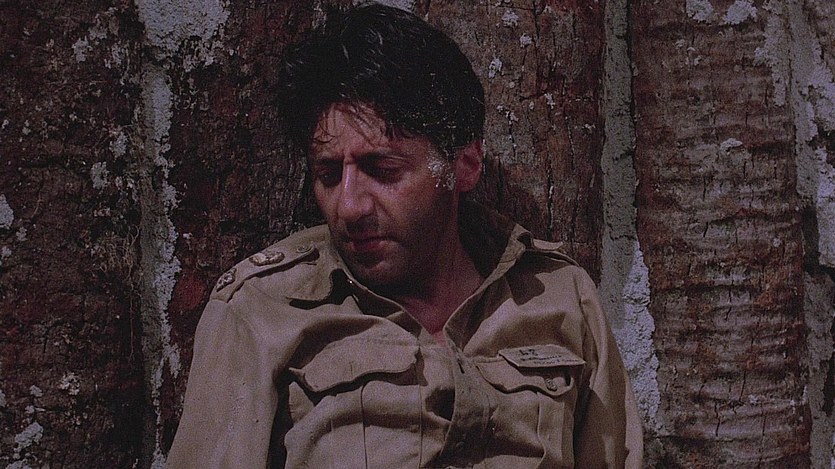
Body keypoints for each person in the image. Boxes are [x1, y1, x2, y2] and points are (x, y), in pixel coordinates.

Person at [167, 3, 643, 468]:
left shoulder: (560, 297)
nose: (349, 206)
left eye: (383, 170)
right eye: (329, 174)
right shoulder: (260, 309)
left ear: (464, 165)